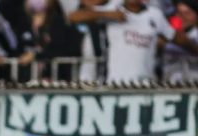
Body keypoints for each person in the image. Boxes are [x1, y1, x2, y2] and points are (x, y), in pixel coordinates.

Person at [69, 0, 198, 83]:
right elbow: (73, 17)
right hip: (114, 82)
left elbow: (177, 38)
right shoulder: (113, 8)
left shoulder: (155, 15)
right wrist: (108, 15)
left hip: (145, 82)